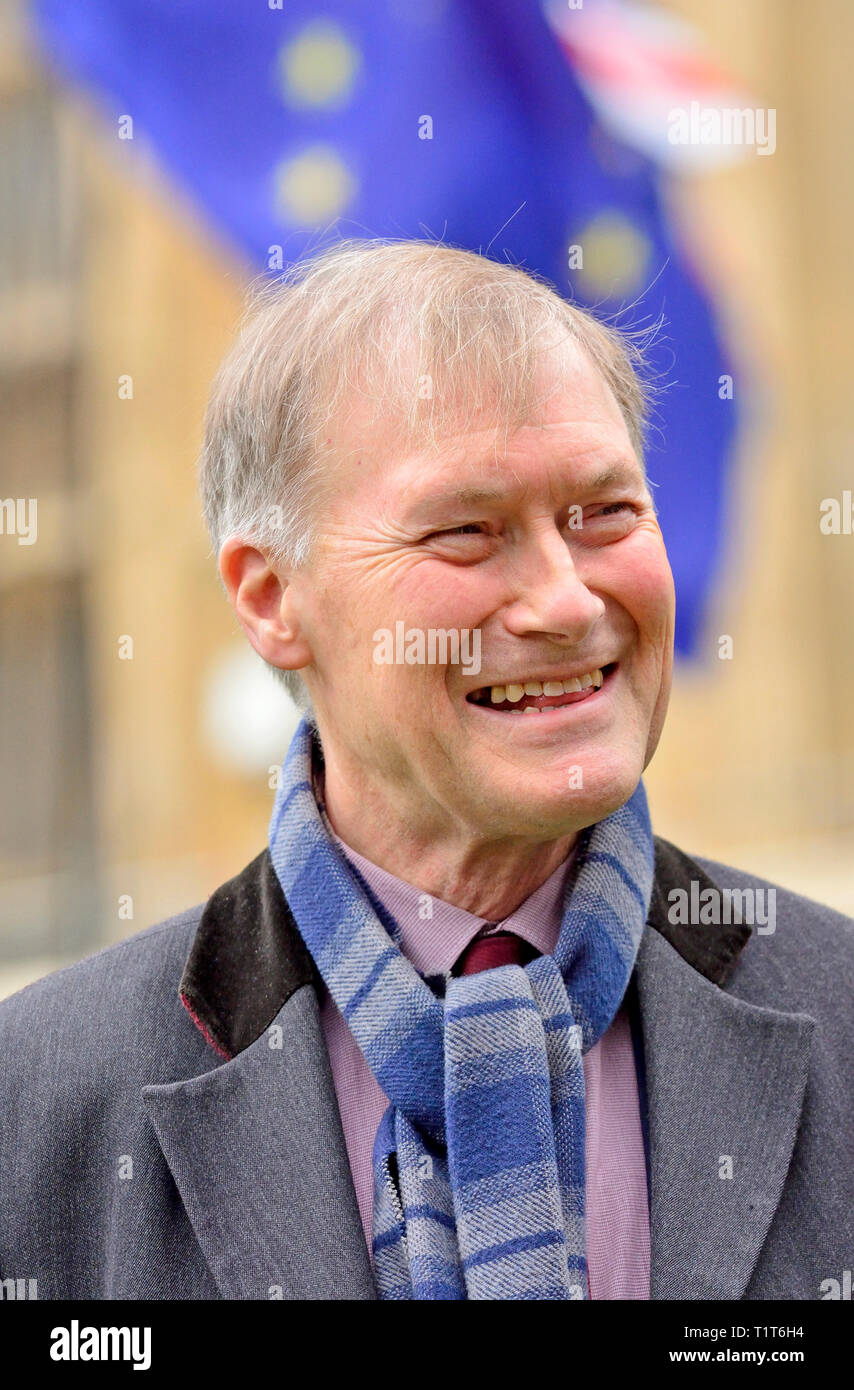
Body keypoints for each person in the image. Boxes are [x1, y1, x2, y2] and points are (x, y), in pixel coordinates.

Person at [1, 240, 852, 1300]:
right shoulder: (35, 1105)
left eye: (603, 514)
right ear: (271, 599)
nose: (564, 601)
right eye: (465, 532)